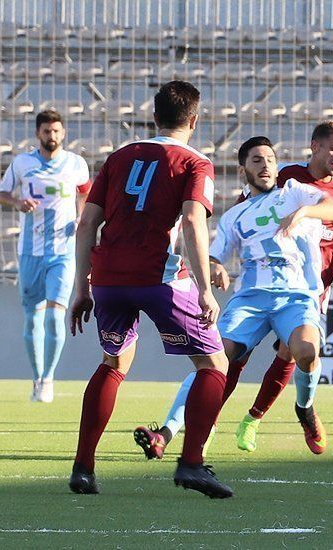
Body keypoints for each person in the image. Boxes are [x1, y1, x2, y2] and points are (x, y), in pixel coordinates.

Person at [133, 121, 333, 456]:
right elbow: (213, 256)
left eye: (269, 159)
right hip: (251, 298)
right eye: (256, 160)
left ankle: (305, 408)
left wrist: (303, 213)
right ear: (243, 170)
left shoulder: (293, 192)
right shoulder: (234, 216)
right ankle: (166, 432)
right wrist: (217, 267)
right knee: (214, 362)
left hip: (295, 295)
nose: (265, 165)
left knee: (307, 352)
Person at [67, 80, 233, 498]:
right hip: (158, 278)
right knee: (214, 366)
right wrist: (204, 290)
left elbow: (87, 224)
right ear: (194, 120)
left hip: (107, 279)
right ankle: (192, 464)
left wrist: (80, 287)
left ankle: (83, 468)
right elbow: (194, 221)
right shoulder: (195, 162)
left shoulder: (119, 157)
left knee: (114, 364)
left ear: (154, 116)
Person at [0, 110, 91, 403]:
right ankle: (36, 377)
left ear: (64, 133)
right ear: (38, 133)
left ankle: (48, 378)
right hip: (30, 251)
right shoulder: (23, 163)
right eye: (47, 131)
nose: (53, 136)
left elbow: (85, 193)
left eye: (57, 131)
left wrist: (80, 216)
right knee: (32, 320)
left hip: (63, 251)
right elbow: (0, 193)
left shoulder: (75, 163)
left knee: (54, 316)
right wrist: (17, 201)